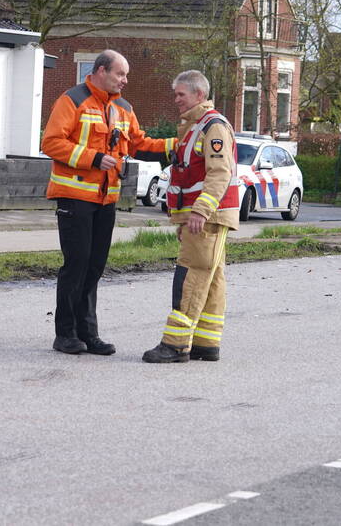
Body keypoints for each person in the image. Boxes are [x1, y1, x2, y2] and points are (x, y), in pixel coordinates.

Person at [41, 50, 172, 356]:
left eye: (125, 76)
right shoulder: (72, 100)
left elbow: (140, 143)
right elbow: (51, 142)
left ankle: (89, 333)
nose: (125, 81)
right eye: (120, 74)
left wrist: (178, 144)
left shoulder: (124, 109)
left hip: (106, 198)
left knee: (95, 266)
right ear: (100, 70)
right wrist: (94, 158)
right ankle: (65, 334)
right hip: (74, 197)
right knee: (77, 264)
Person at [143, 70, 240, 363]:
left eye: (180, 94)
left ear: (199, 94)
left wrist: (199, 210)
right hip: (207, 216)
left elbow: (219, 173)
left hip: (207, 217)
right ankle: (205, 344)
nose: (176, 100)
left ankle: (175, 345)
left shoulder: (212, 127)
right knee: (211, 278)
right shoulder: (197, 127)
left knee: (191, 276)